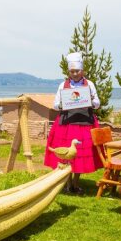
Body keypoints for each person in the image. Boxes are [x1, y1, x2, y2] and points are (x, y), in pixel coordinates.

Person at [44, 52, 103, 193]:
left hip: (84, 123)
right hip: (66, 124)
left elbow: (97, 104)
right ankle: (67, 183)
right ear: (68, 71)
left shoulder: (89, 84)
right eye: (72, 71)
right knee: (65, 153)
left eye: (77, 71)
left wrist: (89, 99)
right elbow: (55, 105)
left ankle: (76, 183)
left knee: (80, 154)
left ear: (82, 70)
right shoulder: (62, 85)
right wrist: (64, 103)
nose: (75, 74)